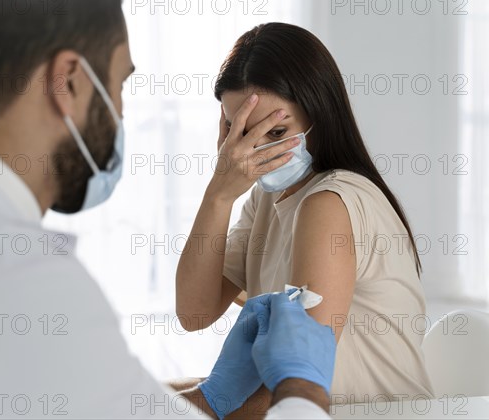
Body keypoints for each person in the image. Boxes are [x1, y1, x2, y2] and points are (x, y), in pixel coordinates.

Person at [0, 0, 337, 419]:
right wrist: (303, 390)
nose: (122, 112)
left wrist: (213, 396)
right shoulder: (23, 283)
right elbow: (191, 315)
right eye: (120, 83)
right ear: (68, 81)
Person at [176, 22, 435, 407]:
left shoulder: (329, 203)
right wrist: (218, 196)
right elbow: (195, 312)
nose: (252, 152)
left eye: (276, 133)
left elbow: (297, 386)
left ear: (319, 113)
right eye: (238, 130)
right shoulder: (267, 198)